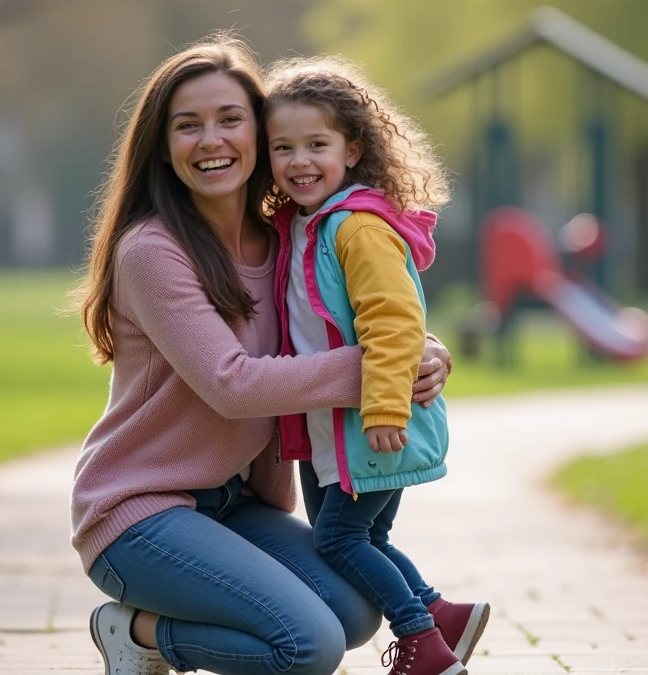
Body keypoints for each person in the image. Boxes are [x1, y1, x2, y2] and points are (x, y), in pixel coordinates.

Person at [70, 35, 452, 675]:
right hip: (140, 513)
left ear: (260, 131)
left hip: (233, 505)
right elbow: (233, 385)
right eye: (187, 126)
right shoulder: (152, 251)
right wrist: (384, 366)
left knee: (356, 614)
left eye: (230, 120)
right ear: (163, 148)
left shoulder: (286, 238)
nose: (211, 140)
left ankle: (169, 626)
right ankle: (136, 633)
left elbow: (347, 323)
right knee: (309, 646)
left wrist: (424, 350)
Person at [263, 57, 490, 675]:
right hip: (334, 425)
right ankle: (442, 615)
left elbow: (393, 322)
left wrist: (386, 407)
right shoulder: (304, 226)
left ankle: (421, 641)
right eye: (283, 147)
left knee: (338, 539)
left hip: (371, 423)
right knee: (367, 540)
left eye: (317, 144)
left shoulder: (356, 228)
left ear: (354, 149)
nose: (299, 160)